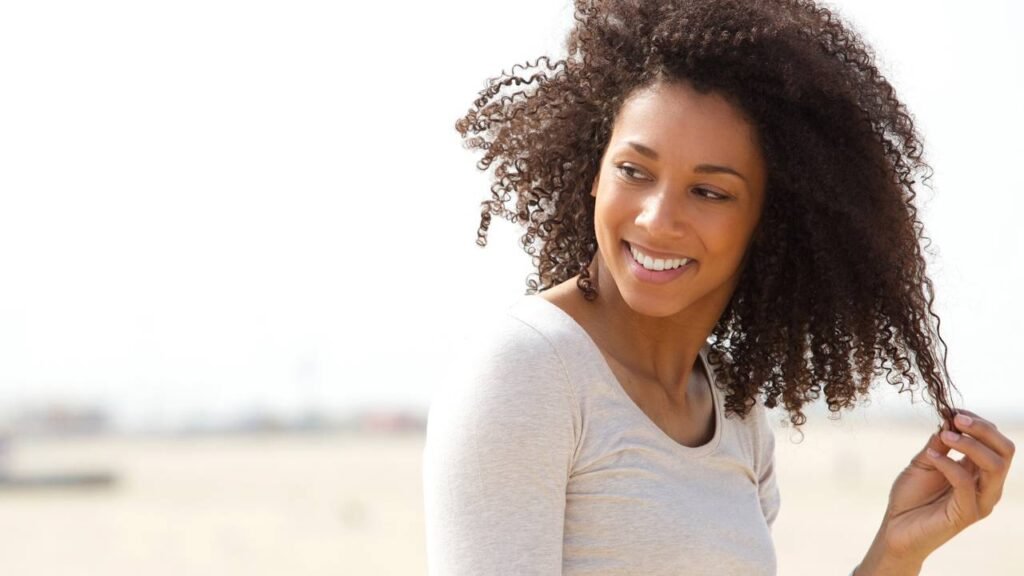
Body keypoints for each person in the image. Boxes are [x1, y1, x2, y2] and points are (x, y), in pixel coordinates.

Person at [423, 0, 1016, 574]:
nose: (656, 219)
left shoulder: (730, 409)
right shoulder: (528, 372)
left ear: (771, 222)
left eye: (709, 192)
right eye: (634, 171)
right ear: (593, 174)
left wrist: (896, 553)